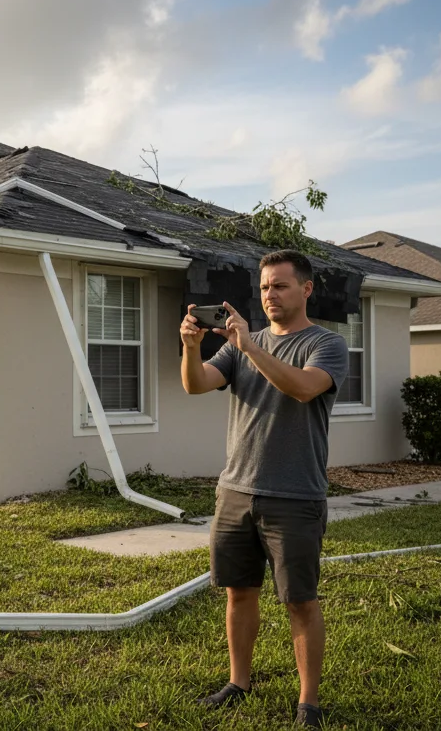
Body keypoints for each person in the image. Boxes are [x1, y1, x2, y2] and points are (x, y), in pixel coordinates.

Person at [179, 249, 350, 728]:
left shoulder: (326, 344)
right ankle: (239, 682)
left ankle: (308, 703)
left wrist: (251, 346)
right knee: (239, 592)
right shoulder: (239, 346)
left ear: (306, 289)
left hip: (295, 494)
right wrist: (191, 347)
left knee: (300, 600)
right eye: (264, 287)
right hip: (236, 490)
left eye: (280, 285)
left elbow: (303, 387)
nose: (269, 295)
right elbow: (196, 385)